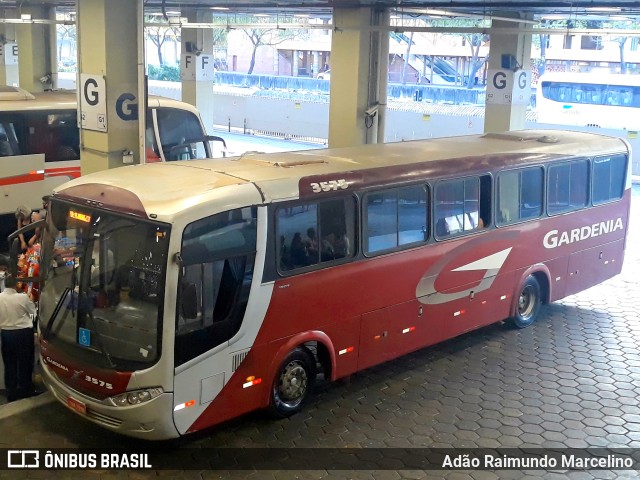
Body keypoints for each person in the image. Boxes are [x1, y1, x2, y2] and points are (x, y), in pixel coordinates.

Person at [0, 274, 37, 402]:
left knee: (9, 364)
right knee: (25, 362)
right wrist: (31, 300)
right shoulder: (22, 297)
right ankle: (25, 390)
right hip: (23, 334)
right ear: (16, 285)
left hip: (6, 334)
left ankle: (11, 393)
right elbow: (34, 312)